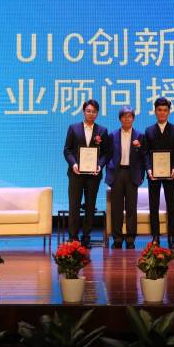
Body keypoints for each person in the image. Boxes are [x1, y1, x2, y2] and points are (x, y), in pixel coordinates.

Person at [63, 99, 108, 249]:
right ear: (83, 112)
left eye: (94, 111)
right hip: (76, 173)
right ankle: (73, 237)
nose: (91, 114)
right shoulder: (73, 128)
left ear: (97, 113)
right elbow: (67, 150)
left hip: (93, 175)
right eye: (88, 111)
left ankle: (86, 237)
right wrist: (73, 164)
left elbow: (105, 153)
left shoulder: (102, 131)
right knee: (74, 205)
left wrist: (100, 165)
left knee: (90, 206)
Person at [144, 97, 174, 249]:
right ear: (155, 111)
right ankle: (156, 237)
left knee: (171, 206)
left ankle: (171, 237)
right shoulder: (149, 130)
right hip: (153, 174)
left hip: (170, 174)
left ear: (169, 112)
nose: (162, 113)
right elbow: (146, 153)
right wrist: (149, 169)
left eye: (165, 110)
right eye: (159, 110)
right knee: (153, 205)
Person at [105, 106, 146, 249]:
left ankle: (130, 239)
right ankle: (117, 238)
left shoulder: (140, 136)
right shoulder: (112, 135)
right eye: (124, 116)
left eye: (129, 116)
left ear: (133, 118)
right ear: (120, 119)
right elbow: (107, 155)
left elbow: (143, 157)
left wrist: (141, 175)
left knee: (131, 208)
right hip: (117, 174)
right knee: (116, 208)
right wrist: (110, 170)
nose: (127, 119)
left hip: (132, 174)